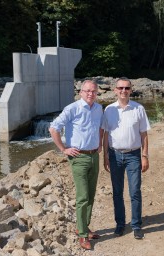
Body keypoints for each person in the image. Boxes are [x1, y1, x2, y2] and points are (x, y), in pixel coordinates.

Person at [49, 80, 103, 250]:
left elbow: (100, 127)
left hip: (94, 156)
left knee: (91, 194)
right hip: (78, 157)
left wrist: (100, 144)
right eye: (87, 91)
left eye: (93, 91)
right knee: (82, 196)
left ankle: (84, 226)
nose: (90, 94)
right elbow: (53, 128)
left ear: (97, 93)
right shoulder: (72, 108)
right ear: (80, 92)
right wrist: (63, 149)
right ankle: (82, 235)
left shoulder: (98, 108)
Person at [102, 77, 150, 240]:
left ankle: (136, 225)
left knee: (135, 191)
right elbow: (106, 134)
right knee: (117, 192)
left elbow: (144, 134)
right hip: (114, 155)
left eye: (127, 88)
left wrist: (145, 155)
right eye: (120, 88)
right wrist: (105, 156)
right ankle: (120, 225)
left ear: (131, 90)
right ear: (115, 90)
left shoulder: (138, 109)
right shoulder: (108, 110)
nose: (123, 91)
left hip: (133, 155)